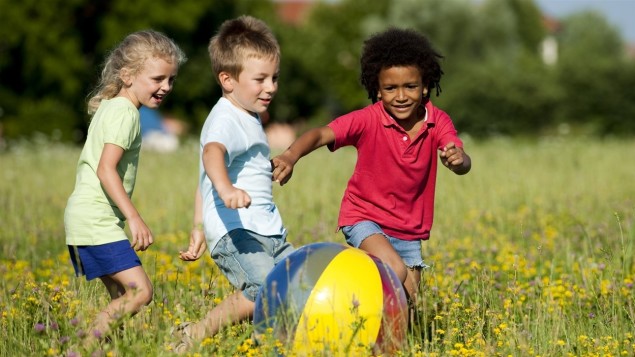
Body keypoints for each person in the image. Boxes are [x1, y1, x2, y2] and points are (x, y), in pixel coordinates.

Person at [272, 28, 471, 305]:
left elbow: (460, 157)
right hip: (364, 217)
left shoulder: (438, 121)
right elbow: (320, 134)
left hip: (409, 229)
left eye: (410, 86)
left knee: (408, 301)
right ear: (378, 91)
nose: (401, 96)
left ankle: (390, 345)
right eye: (391, 88)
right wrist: (290, 156)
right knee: (394, 270)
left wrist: (458, 160)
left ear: (425, 86)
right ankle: (344, 305)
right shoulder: (367, 120)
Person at [174, 16, 294, 352]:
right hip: (238, 232)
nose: (271, 87)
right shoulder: (226, 118)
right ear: (227, 79)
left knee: (298, 281)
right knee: (267, 288)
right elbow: (212, 155)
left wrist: (197, 226)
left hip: (267, 230)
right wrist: (227, 190)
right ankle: (198, 332)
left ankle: (277, 343)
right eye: (260, 79)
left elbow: (204, 178)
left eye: (274, 78)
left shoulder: (248, 115)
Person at [64, 30, 186, 347]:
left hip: (86, 217)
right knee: (140, 291)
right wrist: (134, 217)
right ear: (127, 75)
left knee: (120, 298)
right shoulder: (126, 113)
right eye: (158, 78)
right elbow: (106, 168)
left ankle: (106, 350)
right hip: (96, 220)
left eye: (171, 80)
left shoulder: (112, 106)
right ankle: (80, 350)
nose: (166, 87)